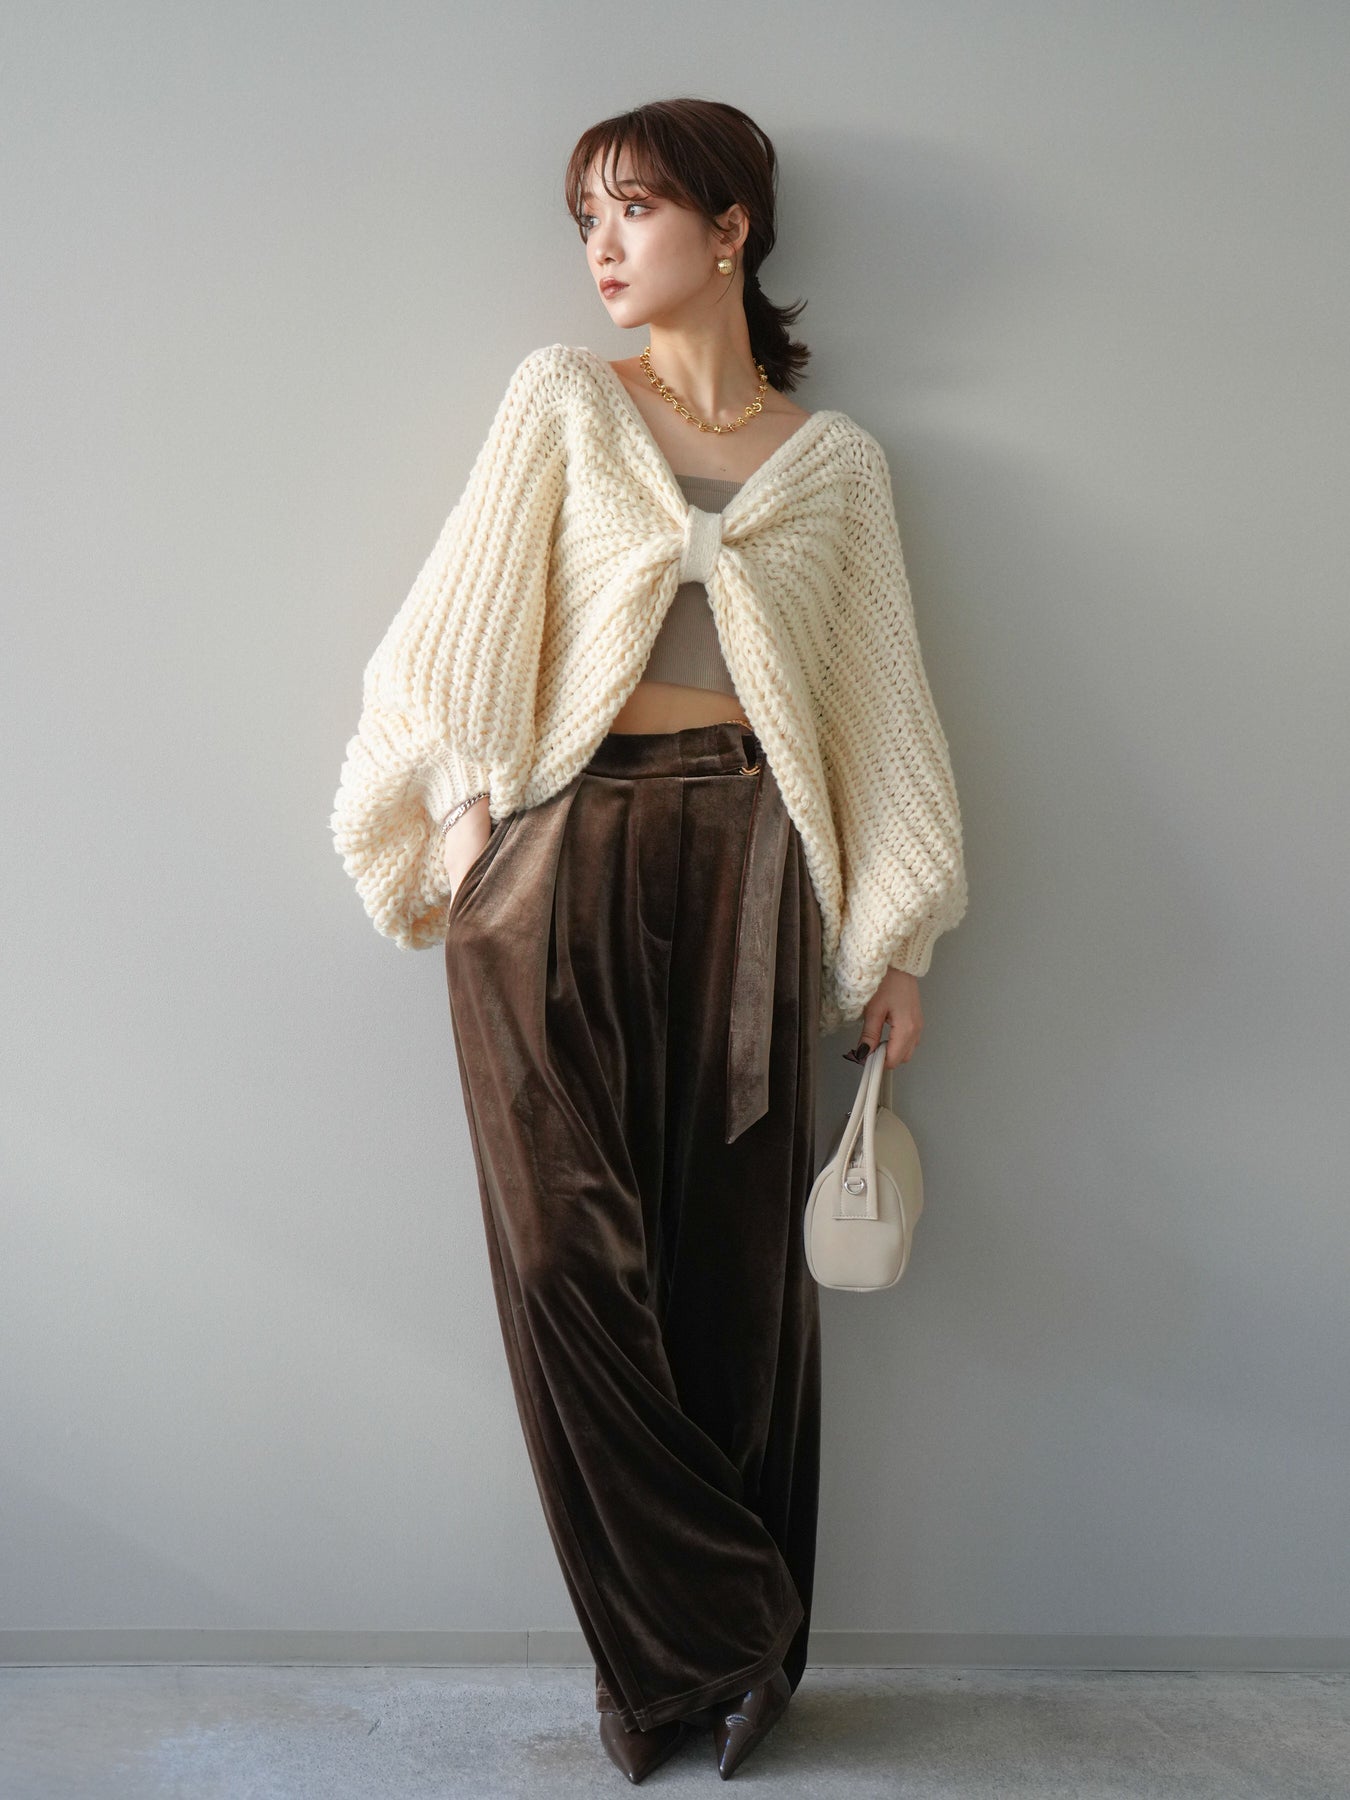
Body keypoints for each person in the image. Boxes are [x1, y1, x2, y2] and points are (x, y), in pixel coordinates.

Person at [331, 98, 968, 1785]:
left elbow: (881, 716)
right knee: (564, 1264)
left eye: (633, 209)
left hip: (752, 859)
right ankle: (716, 1632)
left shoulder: (835, 466)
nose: (602, 246)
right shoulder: (560, 400)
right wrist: (466, 823)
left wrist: (897, 941)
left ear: (730, 228)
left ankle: (699, 1675)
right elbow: (449, 636)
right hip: (555, 856)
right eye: (585, 219)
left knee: (731, 1277)